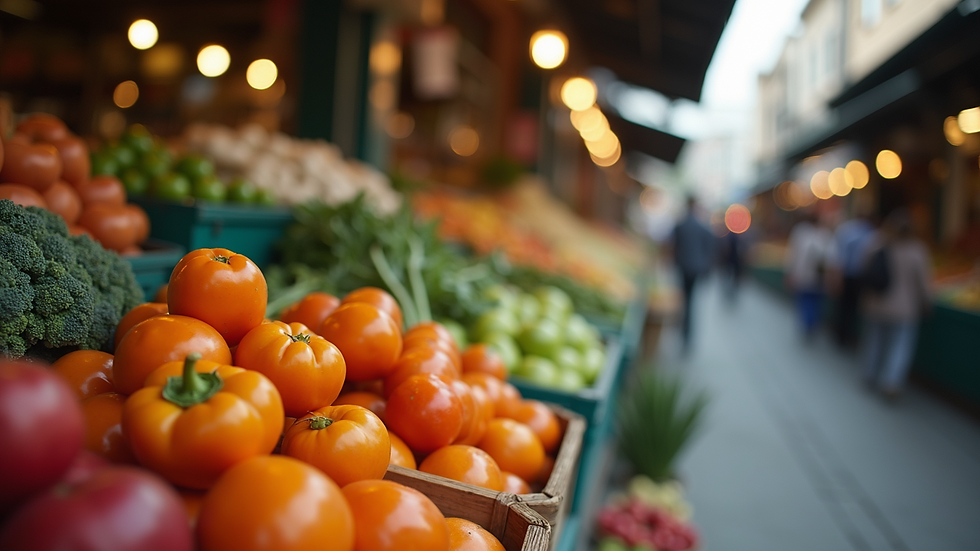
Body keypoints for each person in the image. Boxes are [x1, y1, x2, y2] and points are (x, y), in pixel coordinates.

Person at [861, 209, 932, 399]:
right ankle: (891, 382)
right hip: (904, 308)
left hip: (876, 305)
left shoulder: (875, 244)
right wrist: (927, 304)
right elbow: (923, 283)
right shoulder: (917, 250)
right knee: (900, 347)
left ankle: (870, 374)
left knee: (875, 342)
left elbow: (865, 271)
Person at [670, 196, 715, 351]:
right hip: (696, 268)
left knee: (685, 298)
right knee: (690, 300)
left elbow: (673, 245)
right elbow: (710, 245)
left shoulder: (680, 225)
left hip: (683, 267)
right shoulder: (702, 226)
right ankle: (687, 332)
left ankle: (684, 328)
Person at [784, 210, 837, 340]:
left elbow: (792, 256)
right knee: (815, 303)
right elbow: (833, 259)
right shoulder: (825, 235)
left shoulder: (800, 232)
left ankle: (807, 325)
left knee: (805, 302)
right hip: (819, 278)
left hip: (803, 276)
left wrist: (790, 273)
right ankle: (811, 324)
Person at [834, 210, 875, 348]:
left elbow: (840, 256)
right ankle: (850, 337)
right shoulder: (871, 233)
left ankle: (841, 336)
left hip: (847, 275)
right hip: (860, 277)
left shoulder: (846, 230)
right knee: (855, 309)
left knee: (843, 308)